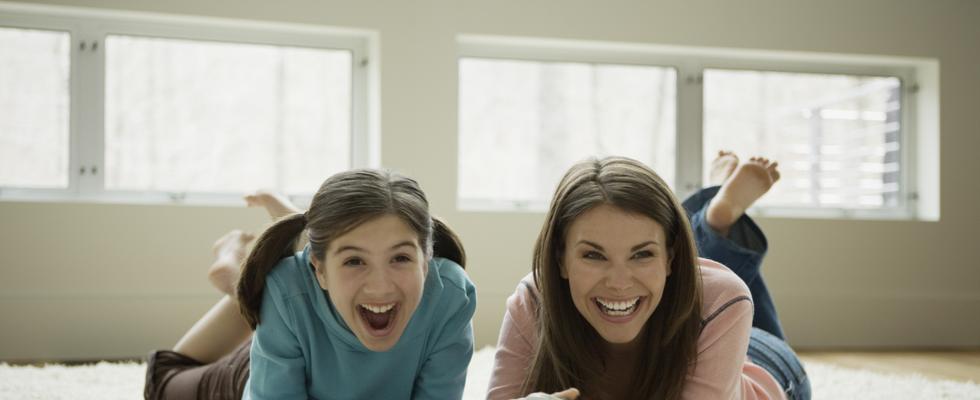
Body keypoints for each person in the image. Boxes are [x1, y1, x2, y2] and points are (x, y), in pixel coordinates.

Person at [488, 153, 810, 400]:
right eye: (593, 255)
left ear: (671, 258)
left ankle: (715, 214)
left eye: (642, 254)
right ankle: (715, 212)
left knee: (724, 290)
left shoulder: (723, 300)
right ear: (560, 260)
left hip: (762, 360)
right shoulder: (533, 298)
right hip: (696, 310)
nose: (618, 281)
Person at [144, 169, 477, 400]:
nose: (380, 286)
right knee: (163, 379)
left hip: (307, 317)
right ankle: (238, 273)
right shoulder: (288, 288)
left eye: (401, 258)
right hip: (270, 364)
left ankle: (249, 271)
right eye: (354, 260)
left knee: (283, 290)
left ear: (426, 257)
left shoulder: (451, 295)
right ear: (318, 269)